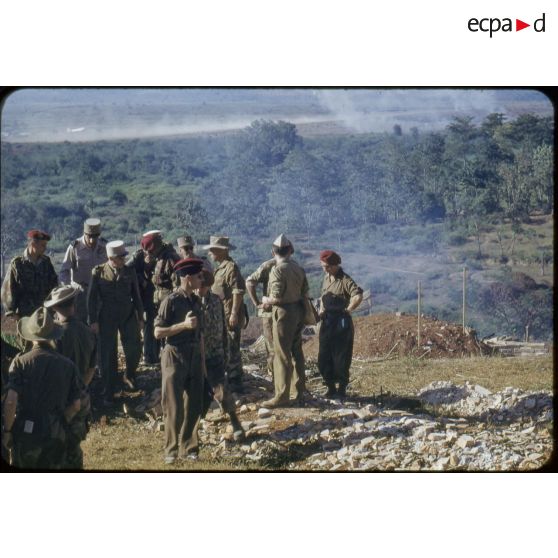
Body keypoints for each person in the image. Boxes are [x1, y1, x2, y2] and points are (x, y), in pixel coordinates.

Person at [2, 307, 81, 469]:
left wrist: (7, 431)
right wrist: (60, 421)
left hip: (26, 433)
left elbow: (11, 402)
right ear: (53, 335)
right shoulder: (68, 366)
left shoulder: (20, 362)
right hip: (55, 433)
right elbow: (76, 405)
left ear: (30, 335)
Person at [154, 258, 206, 464]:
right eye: (198, 276)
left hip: (194, 355)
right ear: (186, 277)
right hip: (174, 355)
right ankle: (171, 450)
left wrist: (202, 364)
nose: (201, 279)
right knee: (173, 406)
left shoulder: (195, 301)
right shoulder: (171, 301)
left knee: (194, 405)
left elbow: (200, 334)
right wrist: (183, 326)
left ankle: (190, 448)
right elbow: (157, 332)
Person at [44, 285, 97, 469]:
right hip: (82, 397)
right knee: (74, 447)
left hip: (60, 400)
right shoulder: (88, 331)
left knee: (57, 449)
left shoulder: (54, 336)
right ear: (74, 304)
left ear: (56, 308)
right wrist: (80, 387)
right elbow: (92, 367)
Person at [87, 240, 144, 405]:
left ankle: (130, 375)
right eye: (120, 257)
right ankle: (109, 388)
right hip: (107, 317)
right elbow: (91, 299)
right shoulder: (98, 273)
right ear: (111, 258)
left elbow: (137, 296)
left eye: (124, 256)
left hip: (127, 315)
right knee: (107, 354)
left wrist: (140, 318)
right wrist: (94, 321)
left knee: (134, 348)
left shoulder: (129, 271)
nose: (123, 260)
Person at [261, 234, 308, 408]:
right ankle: (299, 390)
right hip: (298, 310)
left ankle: (281, 395)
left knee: (281, 353)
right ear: (290, 250)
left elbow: (276, 296)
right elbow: (305, 291)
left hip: (283, 313)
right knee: (296, 351)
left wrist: (266, 301)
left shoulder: (277, 270)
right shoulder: (298, 268)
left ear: (273, 251)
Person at [197, 269, 245, 441]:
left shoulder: (216, 301)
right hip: (195, 356)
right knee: (198, 395)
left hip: (214, 354)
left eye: (203, 287)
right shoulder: (190, 303)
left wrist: (225, 353)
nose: (199, 290)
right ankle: (192, 432)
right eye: (198, 287)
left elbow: (223, 330)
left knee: (222, 391)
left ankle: (236, 424)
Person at [318, 250, 363, 399]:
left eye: (328, 266)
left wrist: (348, 310)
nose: (325, 269)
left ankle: (342, 389)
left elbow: (357, 295)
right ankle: (330, 387)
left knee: (341, 358)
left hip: (341, 323)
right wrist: (321, 310)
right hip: (327, 322)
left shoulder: (345, 280)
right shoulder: (326, 278)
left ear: (335, 265)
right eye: (324, 266)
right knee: (324, 357)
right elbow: (323, 297)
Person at [203, 236, 246, 393]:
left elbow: (238, 291)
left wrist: (234, 313)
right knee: (225, 346)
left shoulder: (230, 268)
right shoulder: (220, 267)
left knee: (232, 347)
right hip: (222, 315)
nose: (210, 253)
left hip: (229, 314)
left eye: (213, 250)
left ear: (222, 251)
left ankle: (236, 381)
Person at [59, 218, 108, 322]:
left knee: (100, 323)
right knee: (81, 324)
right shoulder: (74, 247)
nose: (92, 240)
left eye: (95, 237)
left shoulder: (104, 246)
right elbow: (64, 271)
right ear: (84, 233)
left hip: (100, 292)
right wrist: (67, 290)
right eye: (89, 236)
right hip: (80, 293)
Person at [1, 229, 58, 319]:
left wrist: (55, 306)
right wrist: (11, 312)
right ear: (33, 244)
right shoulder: (17, 264)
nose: (45, 248)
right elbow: (8, 290)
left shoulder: (46, 262)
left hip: (45, 314)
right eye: (42, 245)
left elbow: (54, 285)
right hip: (25, 316)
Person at [128, 232, 159, 364]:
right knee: (145, 325)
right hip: (140, 297)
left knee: (153, 324)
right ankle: (147, 355)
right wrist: (141, 279)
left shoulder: (160, 254)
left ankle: (153, 355)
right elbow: (127, 269)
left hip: (153, 295)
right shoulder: (137, 257)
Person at [246, 254, 276, 379]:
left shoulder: (292, 266)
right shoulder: (269, 265)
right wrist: (257, 303)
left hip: (287, 315)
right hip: (270, 314)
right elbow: (250, 282)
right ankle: (276, 378)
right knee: (273, 348)